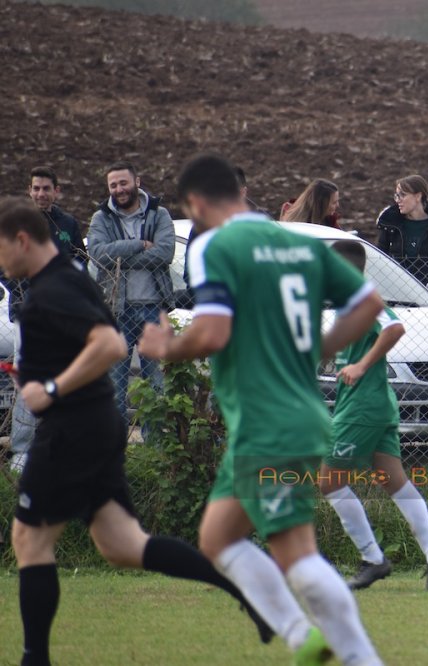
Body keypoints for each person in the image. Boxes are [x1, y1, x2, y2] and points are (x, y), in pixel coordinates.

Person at [0, 197, 271, 666]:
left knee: (29, 541)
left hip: (72, 429)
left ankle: (33, 659)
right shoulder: (67, 279)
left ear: (22, 240)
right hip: (96, 422)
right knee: (123, 546)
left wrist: (50, 385)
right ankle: (240, 583)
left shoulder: (54, 289)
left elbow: (108, 345)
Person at [138, 154, 383, 666]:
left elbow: (213, 333)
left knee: (295, 550)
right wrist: (322, 348)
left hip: (270, 419)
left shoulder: (216, 245)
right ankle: (300, 636)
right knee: (218, 537)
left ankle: (360, 658)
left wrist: (166, 347)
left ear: (197, 204)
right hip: (289, 413)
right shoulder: (295, 242)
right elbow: (368, 304)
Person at [319, 239, 428, 591]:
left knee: (329, 481)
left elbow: (394, 327)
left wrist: (362, 365)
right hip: (376, 403)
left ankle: (373, 559)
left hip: (362, 407)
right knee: (394, 480)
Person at [4, 166, 88, 471]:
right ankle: (22, 450)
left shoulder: (67, 223)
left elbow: (80, 260)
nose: (41, 193)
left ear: (57, 191)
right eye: (36, 188)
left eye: (46, 188)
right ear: (29, 191)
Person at [88, 161, 175, 421]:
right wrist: (139, 244)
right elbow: (97, 254)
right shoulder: (101, 217)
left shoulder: (158, 214)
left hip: (153, 309)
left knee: (156, 388)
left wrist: (120, 256)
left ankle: (156, 451)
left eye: (123, 183)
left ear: (137, 182)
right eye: (113, 185)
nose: (119, 189)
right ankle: (116, 452)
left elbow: (165, 253)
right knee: (115, 388)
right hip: (116, 310)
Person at [376, 175, 428, 286]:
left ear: (418, 196)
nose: (398, 200)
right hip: (394, 291)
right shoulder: (390, 226)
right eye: (397, 195)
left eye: (403, 195)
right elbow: (380, 258)